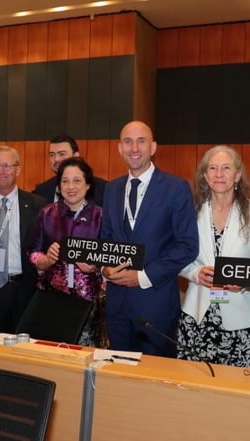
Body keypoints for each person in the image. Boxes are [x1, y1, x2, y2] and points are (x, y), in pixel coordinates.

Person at [100, 120, 198, 357]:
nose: (134, 148)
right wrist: (105, 269)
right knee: (119, 380)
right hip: (117, 306)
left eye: (141, 141)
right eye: (128, 141)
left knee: (156, 384)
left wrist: (143, 276)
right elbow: (105, 241)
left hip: (156, 307)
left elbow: (187, 246)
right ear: (119, 148)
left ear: (153, 147)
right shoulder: (111, 189)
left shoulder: (176, 188)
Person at [177, 145, 250, 368]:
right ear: (205, 176)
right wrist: (195, 273)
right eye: (213, 168)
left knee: (241, 393)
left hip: (244, 319)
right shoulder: (190, 212)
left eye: (226, 168)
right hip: (198, 315)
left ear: (237, 175)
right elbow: (177, 255)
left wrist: (246, 281)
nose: (219, 174)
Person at [28, 157, 105, 346]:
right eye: (65, 181)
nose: (71, 186)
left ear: (88, 185)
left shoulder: (101, 216)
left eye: (77, 180)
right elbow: (32, 251)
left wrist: (96, 266)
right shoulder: (47, 214)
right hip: (52, 300)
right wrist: (45, 260)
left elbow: (109, 258)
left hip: (88, 303)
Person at [0, 146, 47, 333]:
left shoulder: (36, 204)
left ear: (18, 169)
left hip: (24, 289)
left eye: (6, 166)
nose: (0, 171)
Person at [33, 134, 108, 206]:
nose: (56, 159)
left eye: (62, 154)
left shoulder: (103, 189)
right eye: (52, 155)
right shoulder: (41, 191)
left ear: (76, 156)